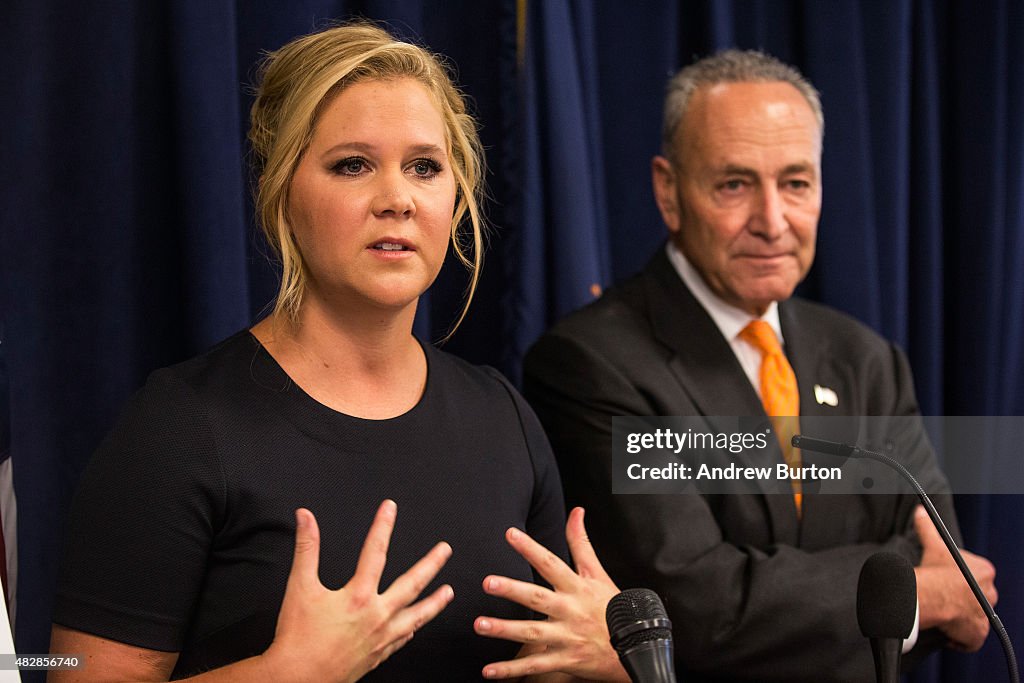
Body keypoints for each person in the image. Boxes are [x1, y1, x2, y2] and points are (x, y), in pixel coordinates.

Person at [49, 23, 627, 683]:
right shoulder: (178, 427)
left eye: (425, 167)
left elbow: (537, 665)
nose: (398, 199)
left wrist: (607, 661)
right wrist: (284, 673)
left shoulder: (503, 417)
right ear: (282, 193)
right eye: (352, 164)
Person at [523, 49, 998, 682]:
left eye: (796, 183)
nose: (773, 222)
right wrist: (923, 594)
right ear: (669, 192)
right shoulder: (595, 364)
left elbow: (944, 557)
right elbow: (700, 607)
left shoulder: (867, 359)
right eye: (734, 185)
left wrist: (899, 592)